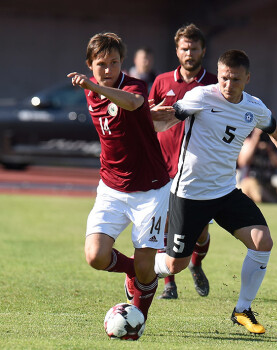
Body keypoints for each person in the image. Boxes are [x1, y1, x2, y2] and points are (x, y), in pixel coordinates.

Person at [152, 49, 277, 334]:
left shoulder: (255, 107)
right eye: (224, 77)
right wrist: (144, 120)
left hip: (225, 192)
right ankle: (140, 269)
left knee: (262, 241)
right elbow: (168, 120)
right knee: (174, 265)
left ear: (247, 78)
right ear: (218, 73)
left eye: (235, 79)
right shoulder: (201, 97)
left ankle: (242, 310)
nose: (228, 84)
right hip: (189, 193)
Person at [67, 33, 171, 324]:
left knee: (148, 266)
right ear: (90, 64)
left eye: (115, 62)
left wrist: (91, 84)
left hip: (150, 189)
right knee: (95, 256)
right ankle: (131, 272)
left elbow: (135, 101)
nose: (109, 69)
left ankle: (136, 321)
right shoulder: (92, 89)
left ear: (122, 63)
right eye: (102, 64)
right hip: (111, 187)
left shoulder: (132, 85)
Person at [149, 23, 217, 300]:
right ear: (177, 50)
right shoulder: (162, 81)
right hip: (162, 167)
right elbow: (147, 119)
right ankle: (168, 284)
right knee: (164, 226)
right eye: (184, 48)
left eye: (194, 48)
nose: (189, 53)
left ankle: (196, 264)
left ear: (203, 50)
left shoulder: (214, 84)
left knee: (199, 232)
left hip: (197, 168)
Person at [237, 128, 277, 203]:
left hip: (266, 183)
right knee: (259, 195)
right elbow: (243, 162)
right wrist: (256, 138)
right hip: (249, 181)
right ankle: (270, 201)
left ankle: (270, 200)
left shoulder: (271, 147)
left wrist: (270, 150)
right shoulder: (248, 142)